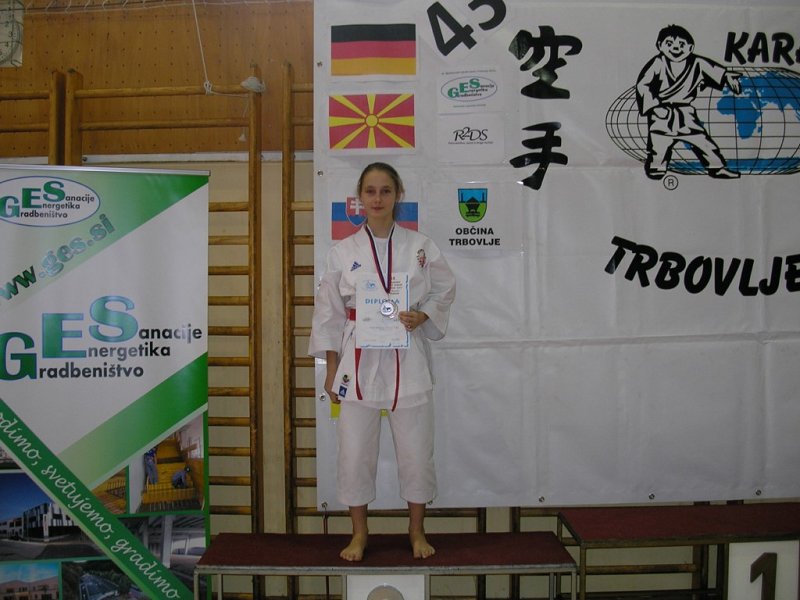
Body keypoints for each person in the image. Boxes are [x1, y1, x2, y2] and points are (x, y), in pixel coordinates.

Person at [309, 162, 456, 562]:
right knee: (354, 452)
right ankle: (359, 533)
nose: (377, 199)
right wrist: (332, 368)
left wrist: (423, 315)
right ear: (359, 197)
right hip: (356, 362)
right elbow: (328, 314)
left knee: (416, 451)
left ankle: (416, 529)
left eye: (386, 191)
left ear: (397, 195)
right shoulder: (341, 252)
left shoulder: (421, 247)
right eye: (370, 191)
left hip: (407, 358)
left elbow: (444, 289)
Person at [635, 24, 741, 180]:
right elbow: (643, 85)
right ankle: (656, 169)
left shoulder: (697, 63)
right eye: (669, 44)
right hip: (661, 113)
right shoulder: (658, 63)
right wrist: (655, 107)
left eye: (681, 44)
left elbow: (714, 71)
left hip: (685, 112)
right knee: (659, 144)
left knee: (702, 141)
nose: (675, 48)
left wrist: (727, 76)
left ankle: (717, 168)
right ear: (660, 46)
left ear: (690, 48)